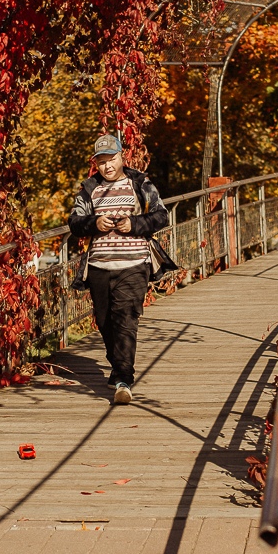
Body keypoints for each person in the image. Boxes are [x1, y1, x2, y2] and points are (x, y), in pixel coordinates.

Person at [68, 134, 174, 405]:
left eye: (111, 159)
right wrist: (94, 223)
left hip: (134, 265)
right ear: (96, 164)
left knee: (126, 318)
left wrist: (134, 225)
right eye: (101, 162)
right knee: (105, 322)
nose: (107, 166)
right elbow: (75, 221)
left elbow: (161, 215)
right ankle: (117, 364)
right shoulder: (89, 189)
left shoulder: (140, 184)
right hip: (99, 266)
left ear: (122, 157)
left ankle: (124, 380)